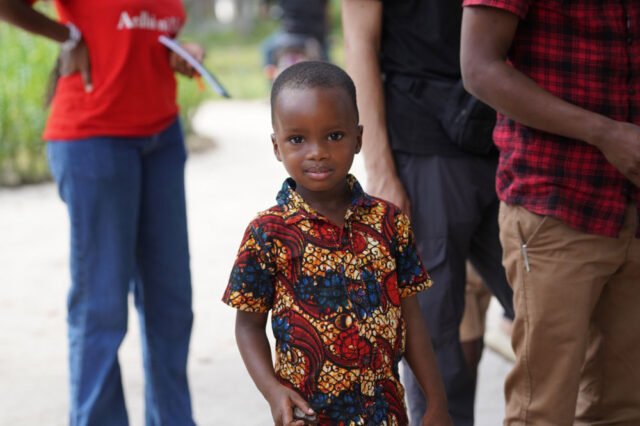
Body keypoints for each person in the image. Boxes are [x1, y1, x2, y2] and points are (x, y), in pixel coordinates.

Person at [0, 1, 203, 424]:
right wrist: (67, 36)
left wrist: (179, 53)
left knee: (172, 303)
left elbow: (140, 27)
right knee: (103, 303)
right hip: (94, 135)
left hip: (161, 136)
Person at [222, 61, 452, 426]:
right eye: (297, 139)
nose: (317, 152)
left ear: (358, 138)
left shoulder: (389, 222)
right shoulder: (267, 233)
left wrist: (437, 401)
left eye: (334, 136)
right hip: (309, 417)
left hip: (386, 415)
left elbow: (412, 319)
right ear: (276, 146)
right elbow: (248, 327)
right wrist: (272, 390)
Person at [460, 2, 640, 424]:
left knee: (624, 409)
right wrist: (605, 133)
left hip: (632, 207)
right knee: (541, 410)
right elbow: (478, 67)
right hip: (556, 199)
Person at [341, 1, 515, 424]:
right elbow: (359, 40)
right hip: (423, 138)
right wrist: (380, 172)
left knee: (555, 318)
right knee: (434, 341)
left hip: (514, 126)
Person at [261, 0, 329, 82]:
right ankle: (327, 80)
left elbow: (265, 9)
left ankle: (272, 85)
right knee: (325, 61)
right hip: (314, 34)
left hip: (290, 33)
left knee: (267, 50)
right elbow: (326, 13)